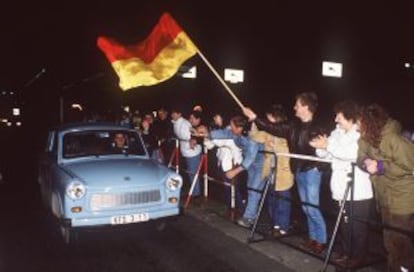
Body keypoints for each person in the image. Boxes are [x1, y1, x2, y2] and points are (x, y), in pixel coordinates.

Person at [243, 92, 328, 254]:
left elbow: (324, 152)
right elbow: (272, 127)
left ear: (305, 107)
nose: (294, 107)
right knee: (306, 207)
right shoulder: (292, 126)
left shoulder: (319, 127)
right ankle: (312, 238)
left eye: (297, 104)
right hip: (299, 170)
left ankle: (322, 240)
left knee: (313, 207)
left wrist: (318, 162)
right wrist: (254, 117)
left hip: (312, 171)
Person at [309, 100, 374, 266]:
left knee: (357, 227)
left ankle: (358, 257)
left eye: (339, 115)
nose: (336, 119)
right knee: (344, 224)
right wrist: (321, 147)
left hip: (358, 188)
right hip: (339, 186)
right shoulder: (336, 133)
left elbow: (351, 154)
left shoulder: (360, 134)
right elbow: (327, 155)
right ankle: (346, 253)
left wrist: (328, 145)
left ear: (350, 117)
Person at [357, 103, 414, 272]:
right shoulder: (367, 138)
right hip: (384, 195)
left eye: (361, 121)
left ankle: (405, 268)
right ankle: (394, 268)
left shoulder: (393, 139)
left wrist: (381, 167)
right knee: (389, 238)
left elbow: (410, 165)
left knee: (400, 239)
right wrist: (365, 162)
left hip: (403, 196)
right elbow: (360, 155)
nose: (358, 124)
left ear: (370, 122)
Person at [249, 104, 294, 237]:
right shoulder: (267, 132)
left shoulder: (287, 131)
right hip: (270, 171)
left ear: (277, 117)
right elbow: (254, 136)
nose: (267, 120)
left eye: (269, 118)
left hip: (283, 172)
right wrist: (254, 122)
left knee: (283, 201)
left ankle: (283, 228)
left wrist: (276, 147)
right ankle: (275, 225)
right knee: (271, 199)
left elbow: (289, 150)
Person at [171, 107, 202, 198]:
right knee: (190, 172)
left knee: (193, 173)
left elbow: (191, 136)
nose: (173, 115)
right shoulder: (176, 123)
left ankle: (196, 193)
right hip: (185, 151)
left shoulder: (185, 123)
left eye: (174, 113)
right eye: (172, 113)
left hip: (192, 152)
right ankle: (193, 191)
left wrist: (192, 140)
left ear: (179, 114)